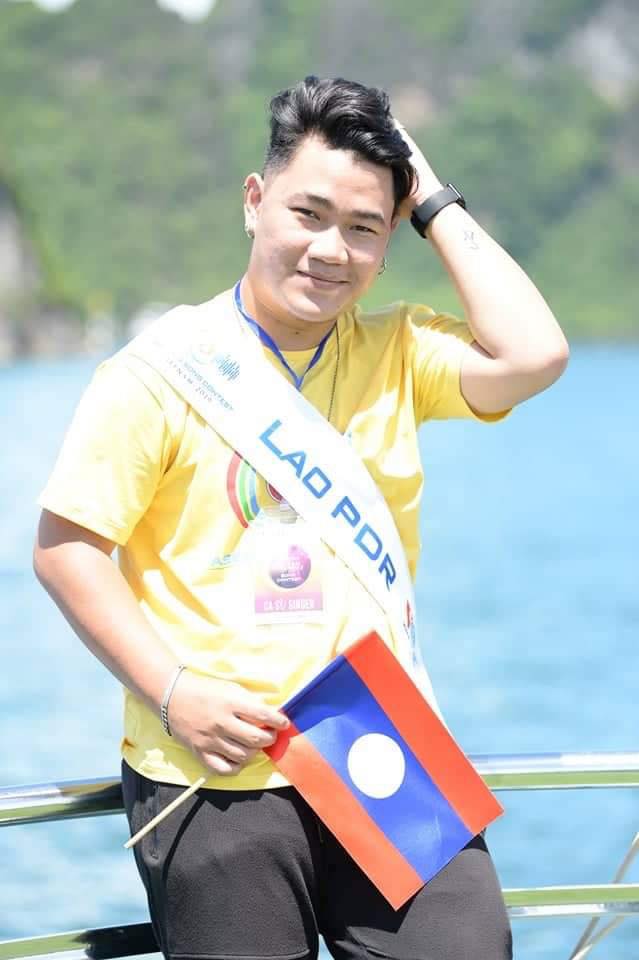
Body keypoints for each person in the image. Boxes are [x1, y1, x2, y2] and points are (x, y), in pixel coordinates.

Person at [34, 76, 568, 960]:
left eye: (362, 227)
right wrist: (174, 694)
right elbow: (67, 550)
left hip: (378, 745)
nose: (330, 249)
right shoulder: (159, 371)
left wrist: (429, 198)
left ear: (388, 242)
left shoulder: (398, 351)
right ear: (254, 202)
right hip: (211, 767)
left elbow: (535, 353)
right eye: (308, 214)